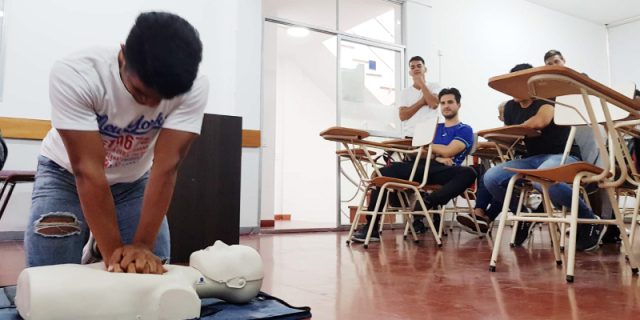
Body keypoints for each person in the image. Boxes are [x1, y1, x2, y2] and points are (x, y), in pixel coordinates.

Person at [24, 12, 209, 274]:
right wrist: (115, 256)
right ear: (123, 54)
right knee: (48, 277)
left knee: (153, 268)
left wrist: (142, 246)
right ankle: (101, 247)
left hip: (133, 182)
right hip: (64, 174)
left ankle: (98, 250)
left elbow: (166, 168)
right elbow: (87, 171)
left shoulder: (194, 87)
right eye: (141, 93)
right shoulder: (77, 74)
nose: (151, 105)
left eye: (162, 98)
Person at [482, 64, 605, 251]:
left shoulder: (547, 99)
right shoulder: (509, 108)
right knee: (491, 177)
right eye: (510, 85)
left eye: (517, 83)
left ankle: (589, 219)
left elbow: (540, 121)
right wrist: (500, 137)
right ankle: (523, 215)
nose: (512, 89)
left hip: (563, 155)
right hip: (533, 157)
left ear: (530, 84)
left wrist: (514, 130)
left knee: (542, 178)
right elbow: (515, 137)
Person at [352, 88, 477, 242]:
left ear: (458, 105)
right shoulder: (434, 128)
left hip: (446, 171)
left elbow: (449, 151)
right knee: (381, 173)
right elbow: (420, 151)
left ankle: (428, 201)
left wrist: (430, 149)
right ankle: (371, 229)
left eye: (450, 102)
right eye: (443, 103)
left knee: (469, 172)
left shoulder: (465, 129)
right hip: (425, 165)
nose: (446, 106)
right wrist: (436, 156)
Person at [399, 56, 442, 137]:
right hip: (410, 135)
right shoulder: (405, 92)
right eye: (413, 67)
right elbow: (402, 116)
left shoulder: (435, 86)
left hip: (429, 135)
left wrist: (421, 83)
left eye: (419, 66)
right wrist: (422, 102)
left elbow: (434, 104)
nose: (416, 69)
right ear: (410, 72)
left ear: (425, 69)